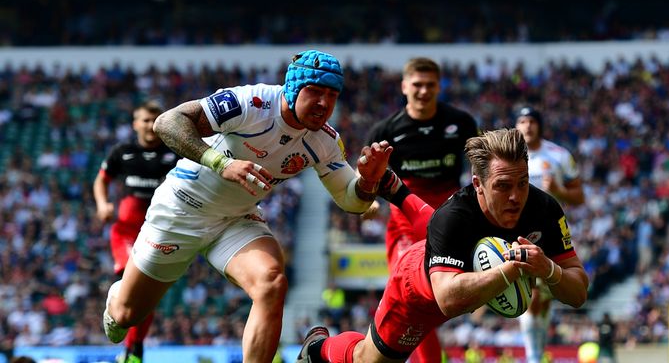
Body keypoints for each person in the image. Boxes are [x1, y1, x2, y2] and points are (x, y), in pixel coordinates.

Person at [101, 50, 393, 363]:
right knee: (125, 316)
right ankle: (117, 297)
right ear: (293, 87)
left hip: (235, 219)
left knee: (271, 283)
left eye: (332, 95)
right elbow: (167, 122)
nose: (324, 103)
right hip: (181, 209)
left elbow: (350, 199)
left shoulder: (324, 141)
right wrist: (219, 162)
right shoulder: (251, 103)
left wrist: (367, 181)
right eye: (315, 91)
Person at [297, 128, 589, 363]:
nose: (515, 196)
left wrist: (550, 270)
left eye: (522, 183)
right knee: (368, 360)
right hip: (420, 291)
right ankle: (317, 349)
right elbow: (447, 298)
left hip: (455, 267)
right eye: (502, 186)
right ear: (478, 184)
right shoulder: (456, 214)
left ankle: (392, 186)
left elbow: (578, 293)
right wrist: (508, 271)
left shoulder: (545, 209)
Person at [364, 57, 477, 362]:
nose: (423, 91)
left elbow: (481, 168)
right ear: (404, 86)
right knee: (413, 295)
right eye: (417, 85)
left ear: (439, 86)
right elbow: (366, 177)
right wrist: (367, 201)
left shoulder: (462, 123)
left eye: (430, 85)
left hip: (448, 218)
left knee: (441, 296)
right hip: (404, 218)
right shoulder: (385, 130)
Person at [93, 101, 180, 363]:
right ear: (135, 124)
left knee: (146, 295)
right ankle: (131, 350)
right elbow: (101, 179)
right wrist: (102, 203)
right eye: (144, 120)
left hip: (158, 232)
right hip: (127, 233)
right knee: (136, 286)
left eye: (154, 120)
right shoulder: (123, 152)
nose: (149, 126)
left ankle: (134, 351)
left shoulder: (173, 153)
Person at [515, 106, 585, 363]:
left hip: (552, 232)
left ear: (540, 125)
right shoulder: (510, 156)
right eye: (522, 121)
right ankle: (534, 356)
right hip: (518, 231)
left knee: (543, 297)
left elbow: (579, 197)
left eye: (532, 120)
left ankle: (536, 354)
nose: (527, 125)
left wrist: (559, 190)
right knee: (532, 294)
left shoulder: (558, 155)